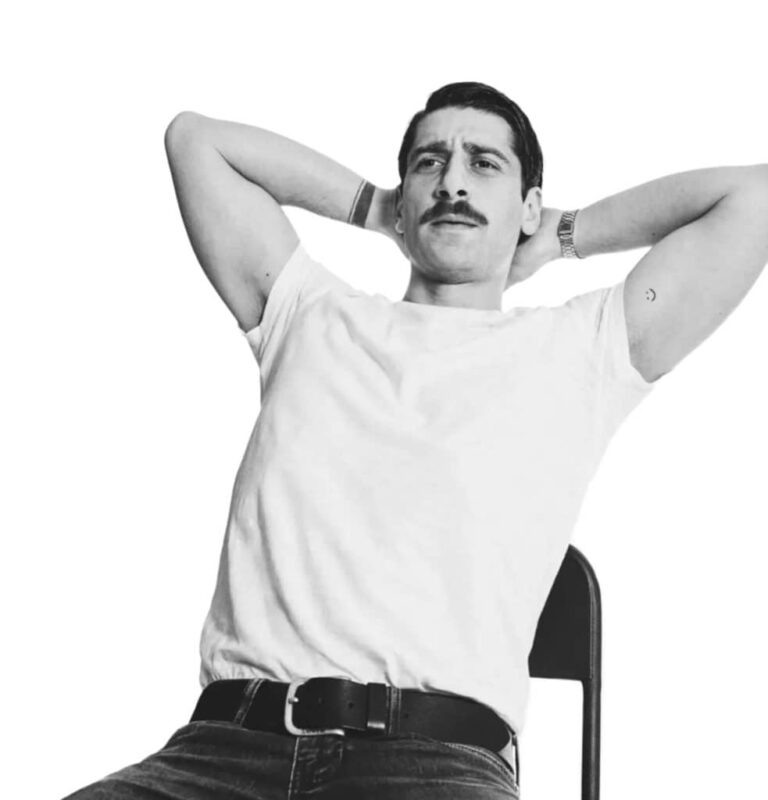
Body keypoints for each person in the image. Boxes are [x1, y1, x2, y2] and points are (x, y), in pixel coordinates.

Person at [64, 82, 768, 799]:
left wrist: (564, 235)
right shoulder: (306, 312)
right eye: (431, 163)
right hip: (222, 753)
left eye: (484, 164)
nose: (453, 182)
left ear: (529, 204)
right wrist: (380, 208)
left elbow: (755, 196)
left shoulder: (582, 349)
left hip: (432, 765)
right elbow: (196, 140)